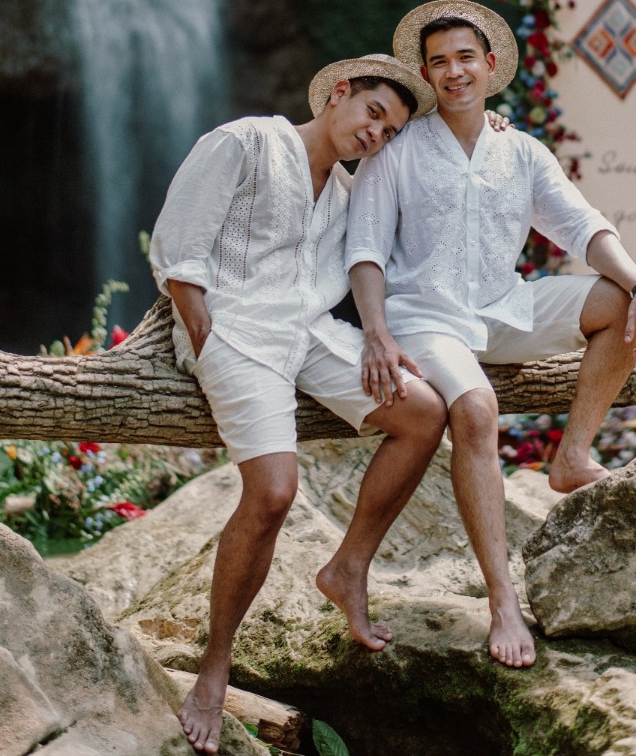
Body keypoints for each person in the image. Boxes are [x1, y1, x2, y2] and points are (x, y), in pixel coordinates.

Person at [345, 1, 636, 670]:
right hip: (423, 315)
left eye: (465, 57)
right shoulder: (397, 150)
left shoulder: (519, 150)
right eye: (438, 62)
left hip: (503, 308)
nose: (453, 71)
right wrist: (375, 332)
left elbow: (583, 227)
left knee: (616, 301)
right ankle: (503, 601)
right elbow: (366, 250)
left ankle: (572, 457)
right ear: (426, 75)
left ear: (490, 66)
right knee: (477, 409)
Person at [150, 54, 445, 755]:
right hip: (237, 330)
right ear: (339, 94)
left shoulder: (347, 196)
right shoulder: (244, 141)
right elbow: (179, 254)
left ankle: (348, 567)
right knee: (275, 492)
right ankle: (214, 673)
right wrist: (206, 339)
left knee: (424, 411)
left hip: (307, 333)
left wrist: (378, 338)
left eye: (391, 131)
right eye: (374, 114)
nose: (377, 134)